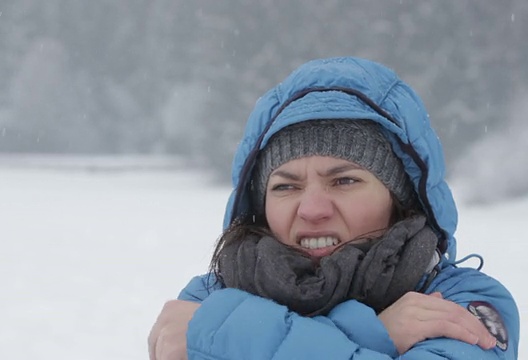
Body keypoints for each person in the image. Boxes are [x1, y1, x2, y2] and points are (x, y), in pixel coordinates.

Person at [147, 56, 520, 359]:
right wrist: (373, 336)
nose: (311, 209)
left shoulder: (463, 302)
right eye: (285, 186)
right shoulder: (210, 296)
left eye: (344, 181)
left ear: (401, 199)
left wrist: (226, 334)